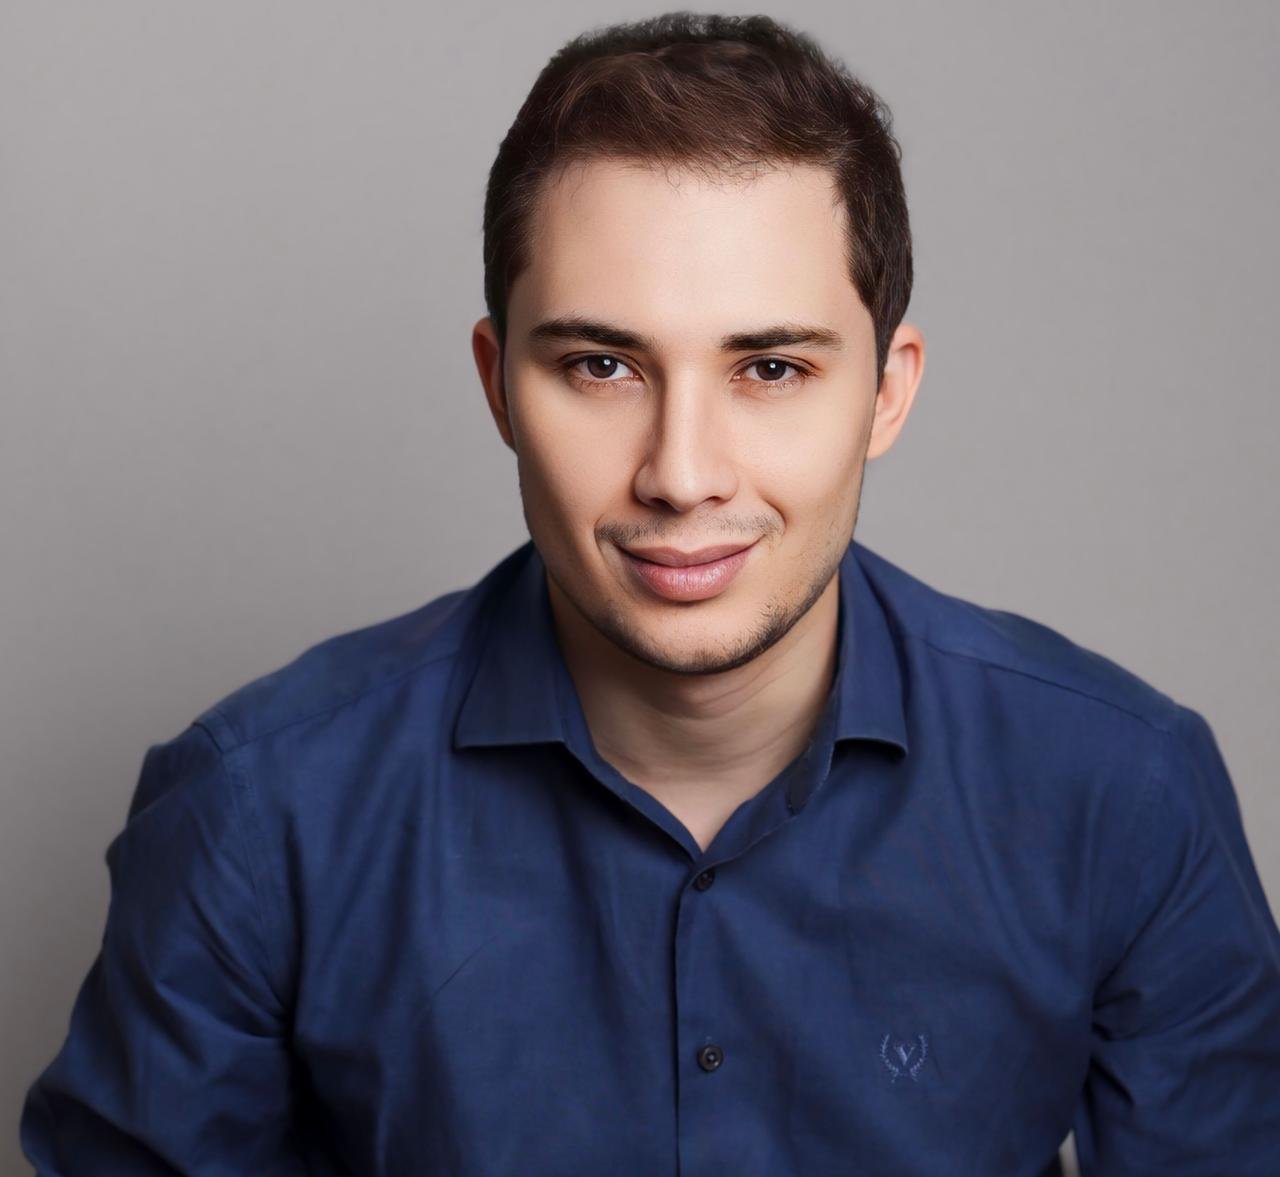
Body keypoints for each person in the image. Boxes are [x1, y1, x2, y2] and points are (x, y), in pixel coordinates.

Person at [20, 11, 1280, 1176]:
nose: (681, 474)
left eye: (769, 368)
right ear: (498, 384)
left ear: (885, 392)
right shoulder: (254, 813)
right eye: (601, 365)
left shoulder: (1123, 793)